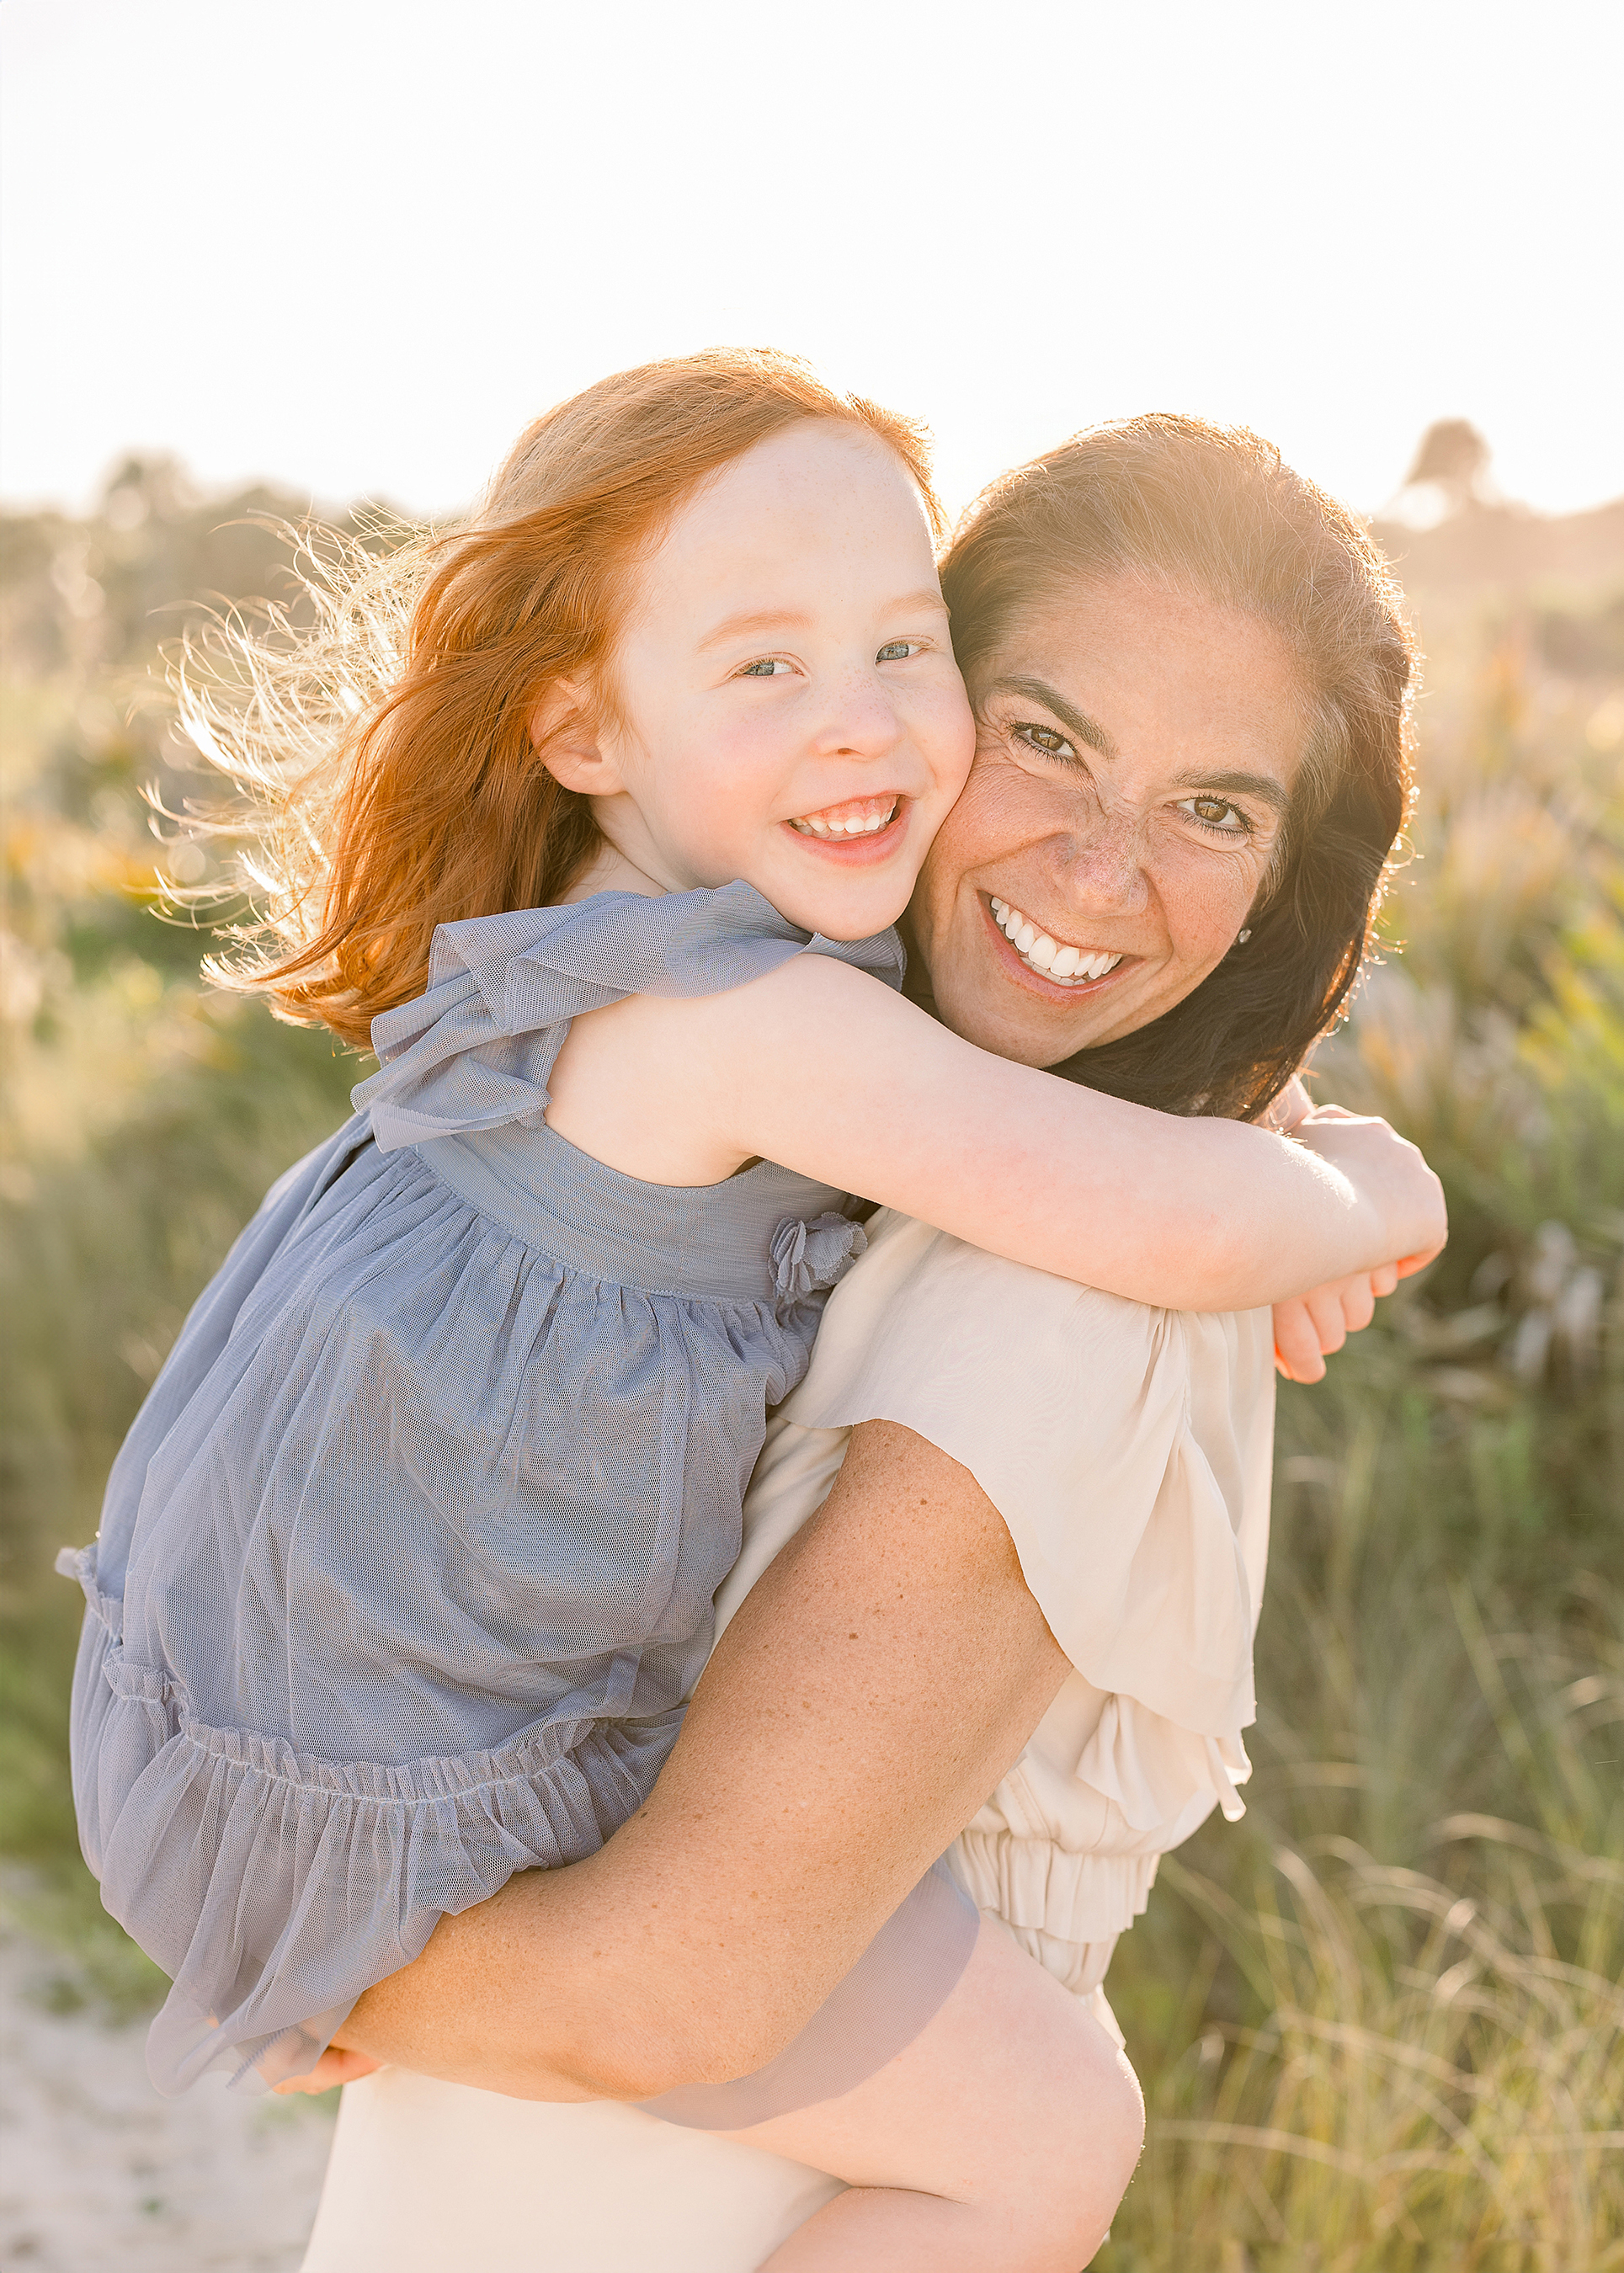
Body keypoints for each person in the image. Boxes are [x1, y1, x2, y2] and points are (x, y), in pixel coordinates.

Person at [61, 359, 1437, 2270]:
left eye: (1209, 807)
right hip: (481, 1993)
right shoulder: (810, 1044)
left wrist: (1259, 1104)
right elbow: (664, 2003)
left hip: (233, 1755)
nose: (1099, 866)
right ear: (586, 727)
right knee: (1050, 2137)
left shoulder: (700, 944)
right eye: (1040, 735)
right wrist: (1376, 1185)